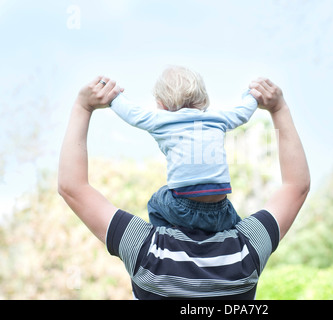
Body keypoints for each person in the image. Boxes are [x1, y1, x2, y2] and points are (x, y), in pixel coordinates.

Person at [58, 75, 310, 299]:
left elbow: (72, 187)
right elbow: (296, 186)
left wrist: (83, 106)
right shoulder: (246, 252)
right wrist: (279, 108)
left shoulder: (146, 252)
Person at [109, 65, 258, 232]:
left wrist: (114, 96)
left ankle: (169, 239)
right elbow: (242, 112)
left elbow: (132, 113)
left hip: (183, 208)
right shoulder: (217, 118)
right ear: (203, 99)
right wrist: (251, 96)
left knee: (155, 202)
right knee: (236, 227)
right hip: (221, 209)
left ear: (161, 104)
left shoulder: (161, 120)